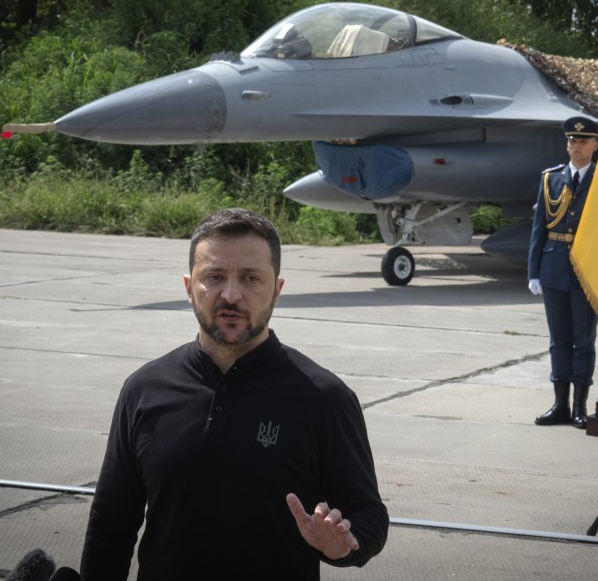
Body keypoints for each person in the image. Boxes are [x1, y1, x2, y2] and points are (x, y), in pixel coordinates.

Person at [80, 208, 388, 580]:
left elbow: (369, 516)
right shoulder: (144, 389)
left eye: (250, 278)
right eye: (214, 277)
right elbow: (111, 523)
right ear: (188, 288)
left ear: (276, 290)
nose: (230, 294)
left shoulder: (324, 398)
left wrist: (342, 545)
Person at [527, 116, 598, 429]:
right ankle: (559, 404)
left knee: (583, 342)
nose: (576, 146)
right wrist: (534, 271)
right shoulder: (551, 179)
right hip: (554, 267)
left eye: (583, 141)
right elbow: (539, 228)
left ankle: (579, 407)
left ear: (595, 145)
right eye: (572, 141)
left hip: (588, 271)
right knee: (559, 340)